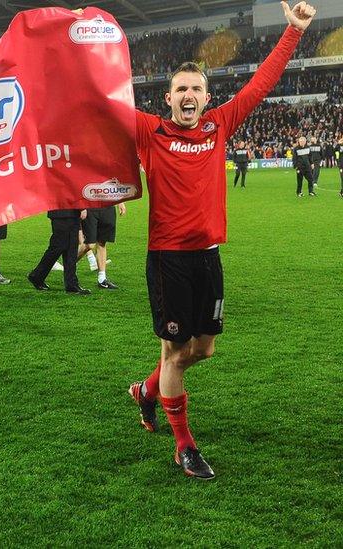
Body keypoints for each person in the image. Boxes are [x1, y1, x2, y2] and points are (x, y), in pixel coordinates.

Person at [126, 1, 315, 481]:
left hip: (208, 257)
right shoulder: (149, 131)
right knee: (174, 352)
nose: (188, 96)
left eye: (195, 89)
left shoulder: (219, 126)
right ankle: (184, 444)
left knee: (202, 350)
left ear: (206, 98)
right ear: (166, 99)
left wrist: (292, 33)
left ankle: (147, 392)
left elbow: (261, 84)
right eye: (180, 90)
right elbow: (97, 104)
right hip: (167, 258)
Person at [27, 209, 91, 295]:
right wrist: (82, 207)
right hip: (67, 211)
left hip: (61, 211)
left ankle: (71, 284)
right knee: (61, 247)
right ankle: (37, 275)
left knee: (68, 248)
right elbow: (71, 194)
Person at [78, 203, 125, 289]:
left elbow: (115, 188)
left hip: (108, 207)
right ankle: (69, 265)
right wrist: (82, 208)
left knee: (102, 243)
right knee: (89, 245)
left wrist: (120, 202)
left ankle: (102, 279)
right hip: (90, 207)